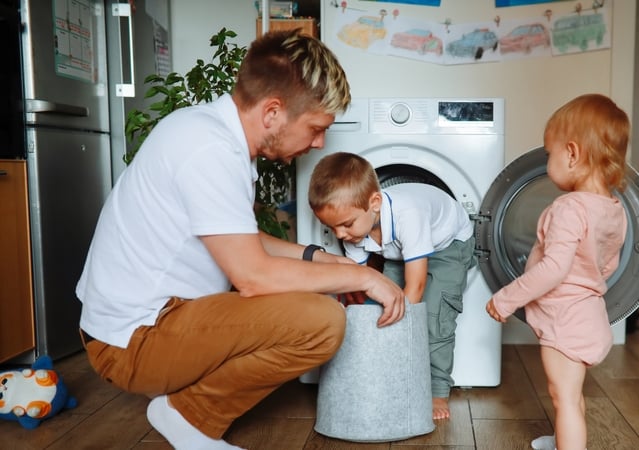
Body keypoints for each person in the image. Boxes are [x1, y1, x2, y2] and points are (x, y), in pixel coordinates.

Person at [75, 30, 405, 450]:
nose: (319, 143)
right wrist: (365, 279)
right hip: (134, 342)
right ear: (272, 112)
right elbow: (252, 275)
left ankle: (183, 412)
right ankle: (187, 416)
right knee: (322, 322)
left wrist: (317, 257)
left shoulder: (213, 135)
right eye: (316, 128)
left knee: (315, 298)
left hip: (148, 324)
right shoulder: (208, 148)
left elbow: (243, 239)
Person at [485, 93, 629, 450]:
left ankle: (570, 444)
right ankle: (566, 439)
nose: (547, 160)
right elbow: (607, 264)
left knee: (563, 397)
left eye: (549, 153)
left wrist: (506, 298)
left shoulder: (568, 208)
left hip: (564, 320)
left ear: (572, 153)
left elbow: (553, 269)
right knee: (571, 394)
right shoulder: (613, 209)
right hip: (589, 313)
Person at [307, 152, 476, 420]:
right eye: (332, 228)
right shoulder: (354, 231)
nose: (340, 235)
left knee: (433, 318)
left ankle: (437, 390)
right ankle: (394, 376)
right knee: (381, 307)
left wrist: (396, 330)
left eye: (346, 225)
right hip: (398, 251)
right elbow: (358, 282)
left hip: (449, 244)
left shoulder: (408, 214)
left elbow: (416, 285)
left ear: (374, 203)